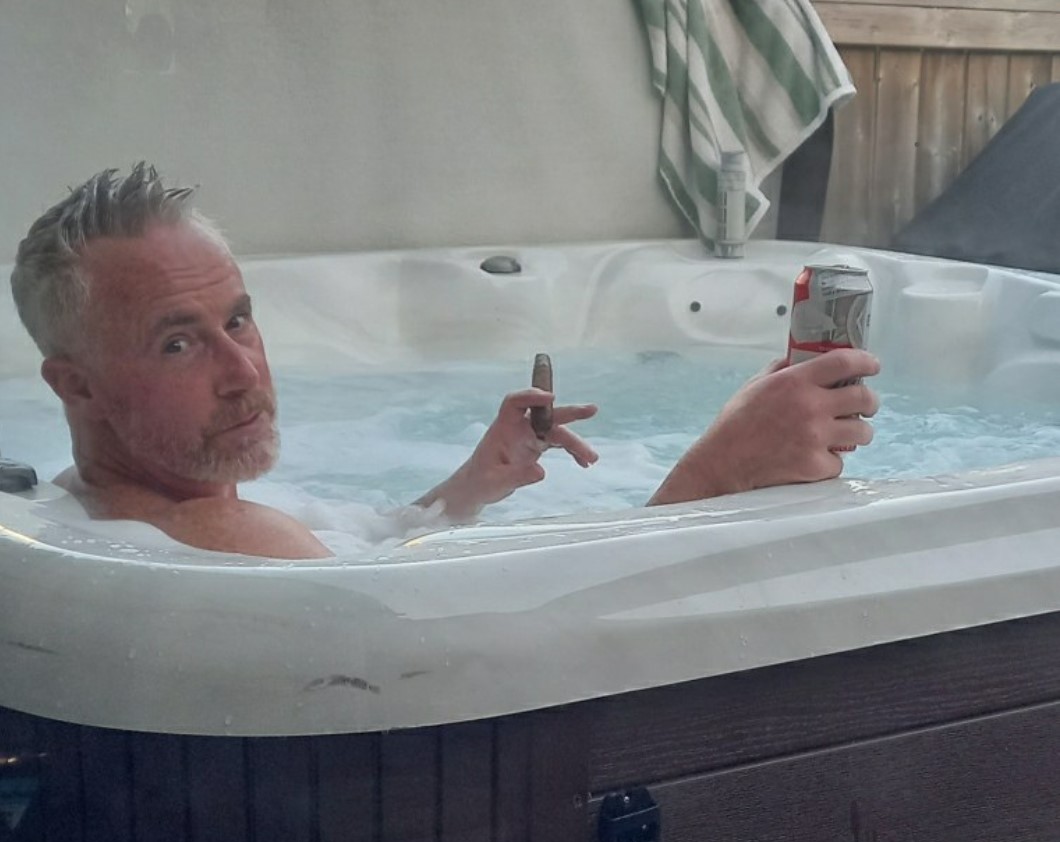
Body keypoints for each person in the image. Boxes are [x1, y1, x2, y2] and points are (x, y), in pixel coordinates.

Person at [10, 164, 879, 559]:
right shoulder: (224, 551)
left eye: (239, 319)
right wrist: (720, 468)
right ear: (75, 386)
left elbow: (371, 553)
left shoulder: (102, 509)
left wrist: (467, 488)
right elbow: (537, 649)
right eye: (178, 343)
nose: (243, 372)